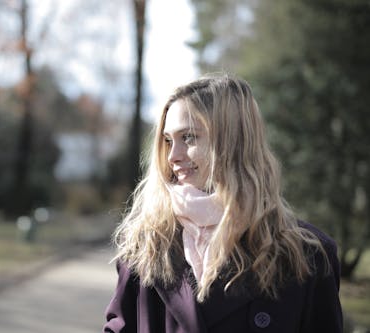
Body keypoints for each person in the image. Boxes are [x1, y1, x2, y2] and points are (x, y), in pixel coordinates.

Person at [103, 73, 343, 333]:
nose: (173, 156)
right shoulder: (147, 245)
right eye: (169, 140)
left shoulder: (307, 254)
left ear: (233, 142)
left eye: (190, 138)